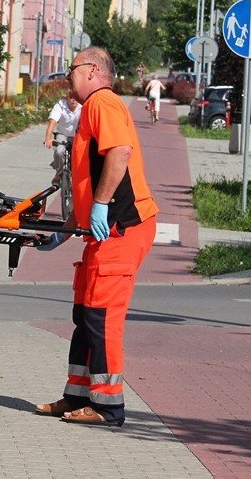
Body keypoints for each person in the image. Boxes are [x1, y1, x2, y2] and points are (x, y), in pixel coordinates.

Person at [34, 46, 159, 427]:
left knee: (101, 317)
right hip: (103, 231)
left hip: (122, 228)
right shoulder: (93, 108)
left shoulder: (103, 102)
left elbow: (119, 153)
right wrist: (71, 225)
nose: (67, 77)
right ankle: (77, 396)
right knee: (85, 314)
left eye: (71, 69)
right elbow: (91, 175)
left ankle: (108, 407)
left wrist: (102, 205)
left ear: (91, 70)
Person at [43, 82, 82, 187]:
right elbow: (52, 122)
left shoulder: (83, 106)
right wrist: (48, 138)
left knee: (79, 154)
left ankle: (76, 176)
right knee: (59, 152)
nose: (73, 100)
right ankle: (59, 173)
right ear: (66, 98)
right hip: (63, 134)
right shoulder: (60, 105)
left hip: (78, 136)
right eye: (71, 98)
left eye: (75, 98)